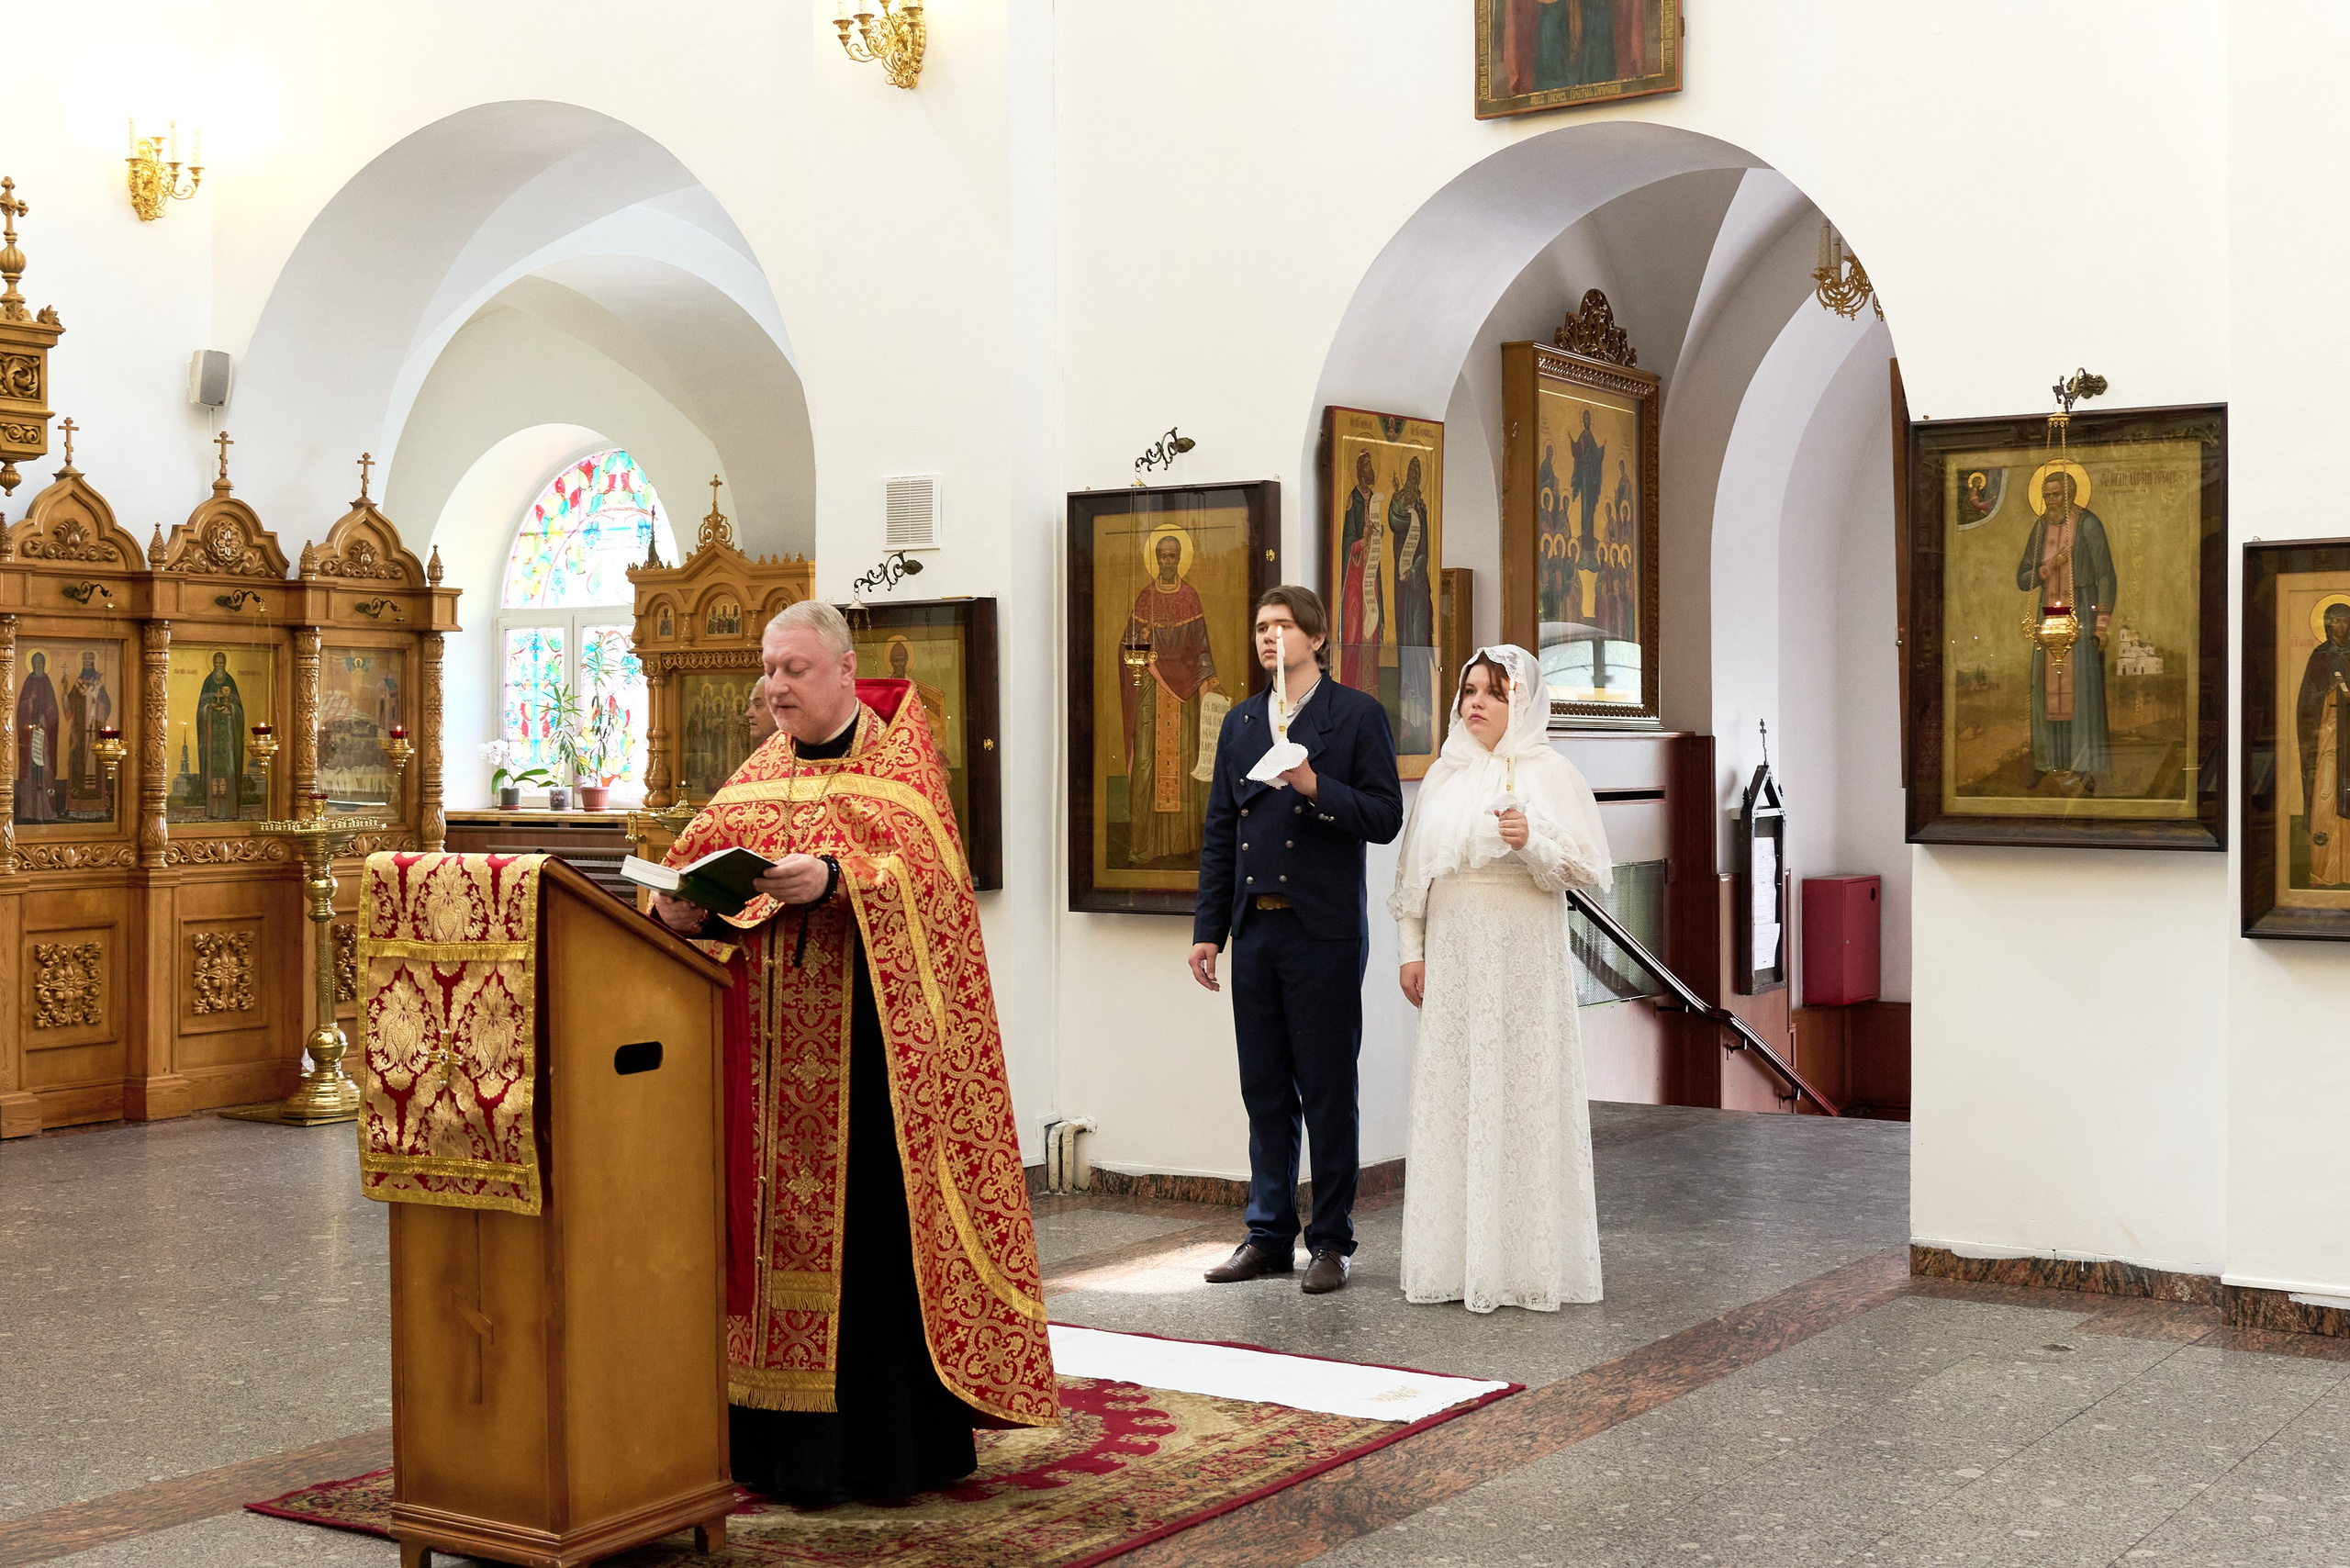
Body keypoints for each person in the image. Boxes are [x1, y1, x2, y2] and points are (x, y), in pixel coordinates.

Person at [650, 600, 1056, 1506]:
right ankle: (768, 1447)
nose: (775, 685)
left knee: (868, 1248)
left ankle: (879, 1450)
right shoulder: (759, 771)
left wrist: (839, 879)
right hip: (763, 1072)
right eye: (768, 669)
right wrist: (674, 908)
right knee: (761, 1247)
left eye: (794, 668)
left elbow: (933, 885)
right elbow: (700, 868)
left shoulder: (898, 771)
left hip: (868, 1075)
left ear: (842, 669)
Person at [1188, 586, 1404, 1295]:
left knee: (1328, 1088)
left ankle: (1332, 1242)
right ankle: (1268, 1233)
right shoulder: (1244, 721)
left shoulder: (1356, 716)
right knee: (1265, 1090)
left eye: (1282, 626)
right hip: (1255, 932)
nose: (1269, 637)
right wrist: (1207, 932)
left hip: (1325, 934)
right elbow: (1221, 830)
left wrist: (1313, 784)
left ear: (1315, 637)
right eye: (1260, 627)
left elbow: (1384, 816)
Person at [1392, 644, 1612, 1313]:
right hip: (1456, 950)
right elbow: (1415, 878)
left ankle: (1525, 1264)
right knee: (1458, 1092)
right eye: (1469, 691)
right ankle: (1455, 1262)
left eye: (1495, 691)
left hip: (1523, 953)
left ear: (1524, 702)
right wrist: (1412, 949)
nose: (1477, 703)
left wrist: (1531, 840)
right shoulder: (1443, 777)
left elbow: (1587, 871)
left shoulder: (1553, 772)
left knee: (1522, 1090)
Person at [1120, 527, 1224, 866]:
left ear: (1179, 559)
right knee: (1148, 761)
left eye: (1172, 556)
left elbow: (1201, 646)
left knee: (1182, 759)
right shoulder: (1144, 598)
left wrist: (1210, 676)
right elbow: (1129, 645)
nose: (1166, 562)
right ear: (1156, 560)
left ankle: (1182, 843)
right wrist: (1141, 653)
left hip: (1186, 693)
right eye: (1162, 556)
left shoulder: (1190, 597)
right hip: (1152, 685)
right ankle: (1144, 844)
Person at [2014, 466, 2116, 783]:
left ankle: (2085, 767)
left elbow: (2104, 575)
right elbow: (2023, 579)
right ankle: (2046, 762)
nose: (2050, 501)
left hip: (2082, 612)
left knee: (2081, 691)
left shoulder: (2088, 525)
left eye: (2055, 494)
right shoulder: (2041, 528)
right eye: (2046, 496)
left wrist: (2101, 625)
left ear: (2070, 494)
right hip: (2049, 618)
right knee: (2045, 688)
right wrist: (2051, 564)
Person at [2298, 600, 2350, 885]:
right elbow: (2306, 700)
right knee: (2325, 795)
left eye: (2344, 620)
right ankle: (2324, 870)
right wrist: (2328, 693)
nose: (2339, 626)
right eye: (2334, 620)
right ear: (2326, 624)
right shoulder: (2319, 656)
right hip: (2328, 736)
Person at [14, 650, 60, 823]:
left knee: (44, 766)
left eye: (41, 661)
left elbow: (53, 708)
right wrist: (30, 701)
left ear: (44, 664)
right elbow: (21, 708)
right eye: (36, 661)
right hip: (30, 735)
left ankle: (46, 811)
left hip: (44, 734)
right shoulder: (28, 681)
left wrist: (44, 719)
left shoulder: (47, 681)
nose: (39, 664)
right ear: (32, 664)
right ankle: (29, 812)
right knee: (30, 767)